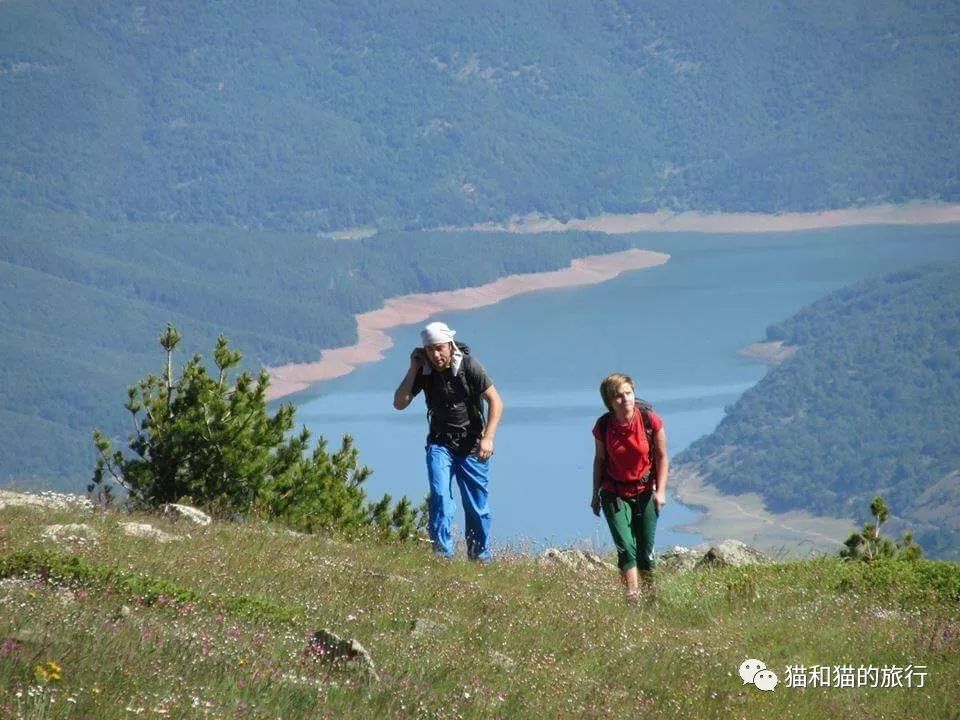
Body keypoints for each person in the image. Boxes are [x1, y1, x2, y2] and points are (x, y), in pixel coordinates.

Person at [393, 321, 503, 561]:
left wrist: (489, 438)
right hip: (440, 444)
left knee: (477, 508)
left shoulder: (469, 366)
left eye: (439, 348)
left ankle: (480, 558)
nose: (435, 354)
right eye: (430, 349)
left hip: (472, 446)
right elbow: (399, 403)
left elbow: (496, 401)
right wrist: (413, 368)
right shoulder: (425, 372)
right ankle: (443, 556)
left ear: (450, 345)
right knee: (440, 496)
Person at [590, 373, 669, 602]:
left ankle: (651, 599)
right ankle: (632, 597)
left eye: (628, 393)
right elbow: (600, 460)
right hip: (614, 492)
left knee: (645, 552)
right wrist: (595, 494)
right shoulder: (603, 426)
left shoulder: (649, 421)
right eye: (618, 396)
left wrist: (661, 491)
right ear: (609, 402)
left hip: (645, 491)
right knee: (626, 547)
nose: (625, 400)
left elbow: (663, 457)